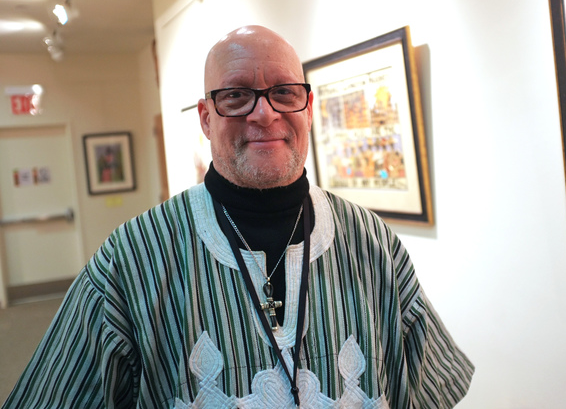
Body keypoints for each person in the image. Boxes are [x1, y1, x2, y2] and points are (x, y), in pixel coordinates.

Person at [3, 25, 474, 408]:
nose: (265, 114)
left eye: (284, 93)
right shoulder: (133, 260)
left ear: (307, 107)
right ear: (206, 118)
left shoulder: (372, 244)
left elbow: (428, 390)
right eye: (236, 96)